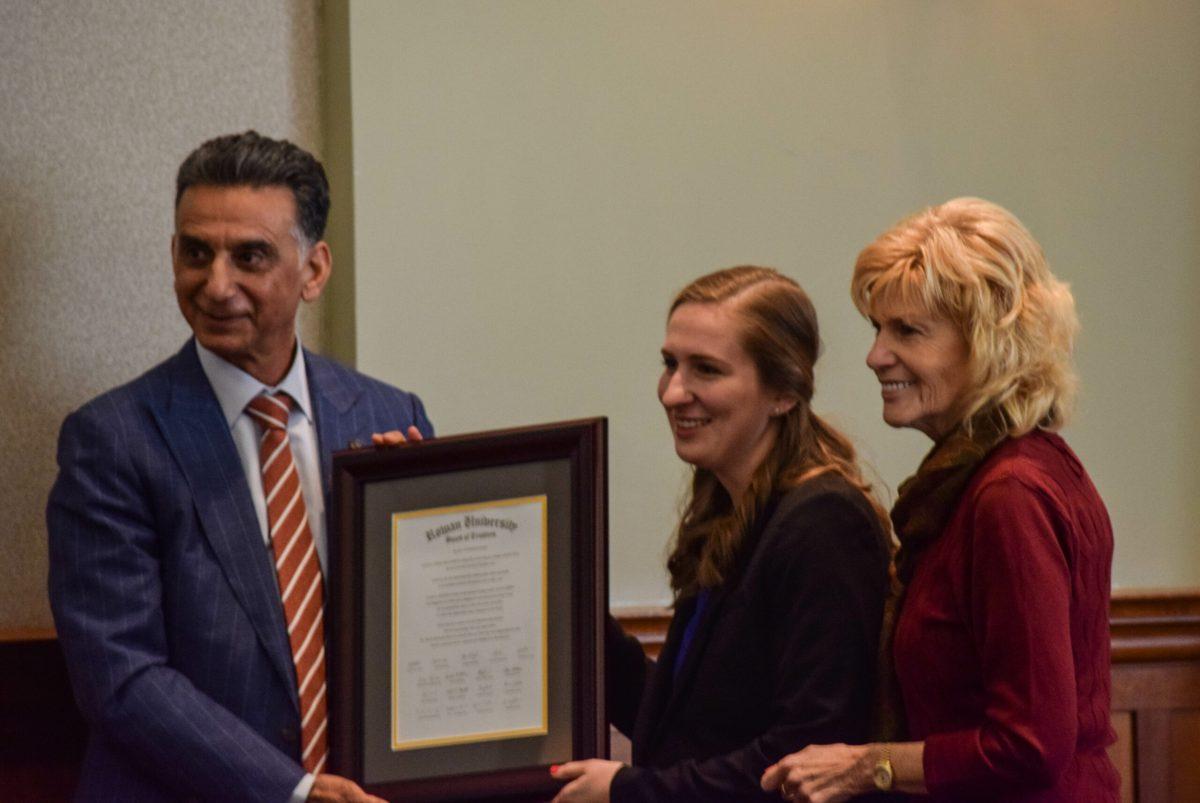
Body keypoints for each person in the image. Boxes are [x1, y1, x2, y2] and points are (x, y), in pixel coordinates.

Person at [47, 131, 430, 803]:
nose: (216, 284)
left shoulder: (388, 415)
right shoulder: (111, 439)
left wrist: (423, 524)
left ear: (314, 270)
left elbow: (430, 628)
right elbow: (121, 675)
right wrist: (295, 791)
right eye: (196, 253)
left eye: (249, 256)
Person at [761, 198, 1119, 802]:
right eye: (878, 328)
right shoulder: (1005, 474)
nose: (876, 354)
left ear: (989, 343)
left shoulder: (1009, 495)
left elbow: (1031, 744)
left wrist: (869, 764)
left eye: (907, 331)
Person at [551, 266, 891, 802]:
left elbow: (805, 756)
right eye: (670, 365)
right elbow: (676, 727)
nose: (672, 393)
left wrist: (629, 792)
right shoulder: (731, 512)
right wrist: (556, 597)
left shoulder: (824, 522)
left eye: (705, 370)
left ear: (782, 391)